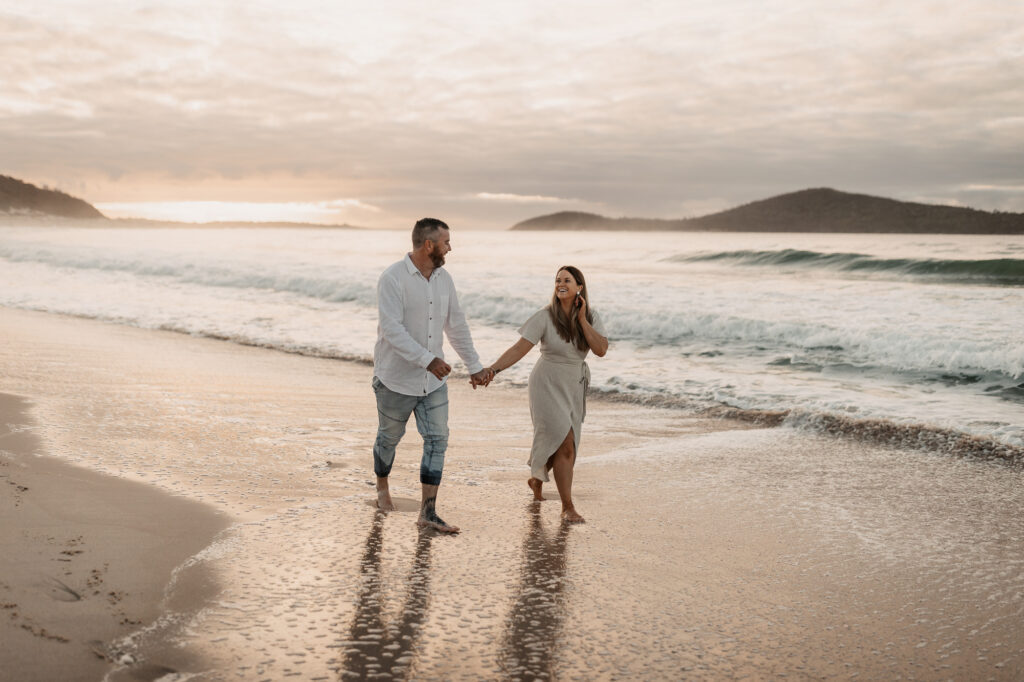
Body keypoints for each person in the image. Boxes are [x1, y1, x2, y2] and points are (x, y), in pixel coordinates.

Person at [372, 217, 491, 533]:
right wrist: (428, 359)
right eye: (446, 241)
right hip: (395, 380)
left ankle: (428, 512)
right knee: (389, 438)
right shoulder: (392, 279)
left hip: (433, 383)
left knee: (438, 439)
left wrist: (475, 366)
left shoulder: (444, 279)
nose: (450, 247)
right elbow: (392, 331)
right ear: (429, 244)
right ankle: (382, 486)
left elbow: (456, 325)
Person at [482, 266, 608, 523]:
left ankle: (536, 478)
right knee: (564, 440)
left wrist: (582, 319)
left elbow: (601, 349)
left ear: (579, 287)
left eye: (567, 280)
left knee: (567, 442)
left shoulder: (592, 317)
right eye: (557, 280)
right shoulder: (544, 316)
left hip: (574, 384)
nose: (561, 284)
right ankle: (567, 507)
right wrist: (493, 369)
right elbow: (520, 348)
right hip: (546, 384)